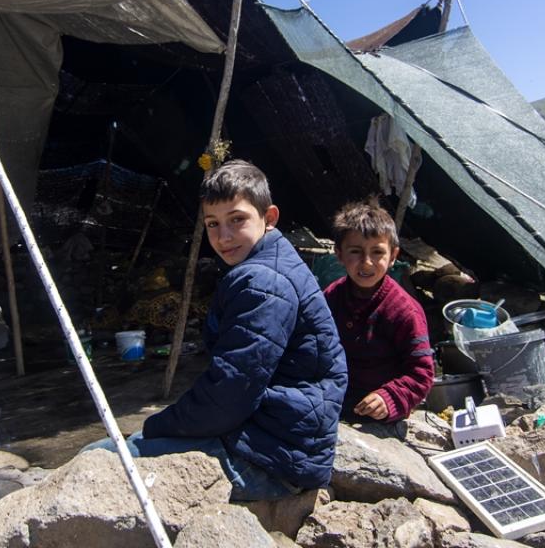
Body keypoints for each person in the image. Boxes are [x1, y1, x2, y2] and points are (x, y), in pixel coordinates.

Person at [89, 159, 347, 500]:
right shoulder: (274, 262)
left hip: (269, 458)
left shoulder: (264, 281)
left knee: (98, 460)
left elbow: (231, 391)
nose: (224, 237)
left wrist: (158, 425)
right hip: (282, 441)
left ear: (269, 217)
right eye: (213, 224)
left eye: (237, 220)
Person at [324, 200, 435, 423]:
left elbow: (422, 374)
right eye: (355, 252)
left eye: (377, 252)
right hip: (330, 400)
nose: (366, 263)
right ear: (339, 254)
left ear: (393, 256)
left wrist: (389, 397)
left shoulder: (404, 311)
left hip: (374, 413)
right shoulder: (331, 297)